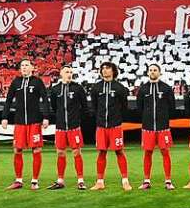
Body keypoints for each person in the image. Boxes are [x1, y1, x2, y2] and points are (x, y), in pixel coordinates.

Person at [1, 59, 49, 191]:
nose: (24, 67)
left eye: (26, 65)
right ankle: (18, 180)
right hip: (19, 121)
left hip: (34, 122)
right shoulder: (16, 82)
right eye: (22, 65)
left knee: (36, 149)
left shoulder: (37, 82)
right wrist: (4, 117)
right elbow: (8, 100)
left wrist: (46, 116)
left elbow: (45, 99)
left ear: (32, 68)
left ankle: (34, 180)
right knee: (17, 149)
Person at [88, 61, 131, 192]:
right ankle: (100, 181)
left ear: (113, 71)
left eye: (107, 68)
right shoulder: (96, 88)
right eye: (103, 69)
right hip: (101, 126)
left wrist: (117, 119)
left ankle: (125, 181)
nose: (105, 70)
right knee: (101, 152)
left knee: (119, 151)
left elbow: (124, 106)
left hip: (115, 126)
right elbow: (94, 106)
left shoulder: (120, 88)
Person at [47, 65, 88, 190]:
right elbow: (54, 107)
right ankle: (60, 180)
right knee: (60, 153)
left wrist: (76, 118)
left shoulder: (78, 88)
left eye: (71, 72)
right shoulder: (55, 89)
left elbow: (84, 106)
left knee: (76, 152)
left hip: (74, 127)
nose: (69, 74)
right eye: (66, 72)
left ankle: (80, 180)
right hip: (60, 127)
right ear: (61, 74)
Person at [136, 63, 176, 190]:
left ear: (159, 72)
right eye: (150, 70)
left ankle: (168, 181)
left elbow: (172, 106)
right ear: (148, 73)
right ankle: (146, 180)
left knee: (165, 152)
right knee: (148, 152)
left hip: (163, 127)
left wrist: (163, 117)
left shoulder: (166, 88)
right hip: (148, 127)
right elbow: (139, 107)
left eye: (155, 70)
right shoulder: (143, 89)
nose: (152, 72)